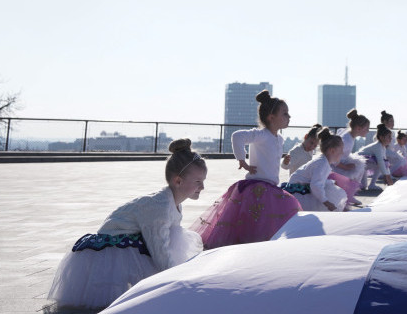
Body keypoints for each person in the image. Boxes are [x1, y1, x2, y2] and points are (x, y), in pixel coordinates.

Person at [48, 139, 206, 309]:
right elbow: (159, 249)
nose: (203, 187)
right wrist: (177, 279)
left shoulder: (173, 202)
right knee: (158, 254)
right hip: (111, 246)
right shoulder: (159, 207)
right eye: (198, 181)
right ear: (178, 181)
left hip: (133, 240)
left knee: (172, 238)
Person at [192, 90, 301, 248]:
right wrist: (242, 160)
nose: (288, 117)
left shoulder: (280, 139)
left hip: (271, 187)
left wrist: (284, 163)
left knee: (266, 222)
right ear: (271, 118)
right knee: (254, 226)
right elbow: (237, 136)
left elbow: (273, 163)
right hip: (257, 187)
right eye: (284, 113)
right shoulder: (261, 134)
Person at [283, 129, 350, 212]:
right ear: (332, 151)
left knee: (330, 191)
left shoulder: (322, 161)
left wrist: (330, 182)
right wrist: (326, 202)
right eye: (341, 151)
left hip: (303, 186)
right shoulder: (322, 163)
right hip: (299, 191)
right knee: (328, 199)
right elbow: (316, 185)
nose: (342, 153)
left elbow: (317, 180)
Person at [334, 109, 371, 205]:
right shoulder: (347, 140)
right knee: (356, 168)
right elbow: (333, 159)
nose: (368, 131)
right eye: (366, 128)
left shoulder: (349, 135)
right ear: (358, 128)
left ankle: (350, 194)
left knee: (360, 164)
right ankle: (346, 195)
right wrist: (346, 167)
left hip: (342, 159)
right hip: (335, 165)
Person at [358, 124, 396, 189]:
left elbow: (385, 162)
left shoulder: (382, 147)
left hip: (364, 165)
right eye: (389, 136)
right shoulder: (378, 146)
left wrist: (388, 176)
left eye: (391, 136)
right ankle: (371, 184)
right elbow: (381, 161)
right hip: (358, 164)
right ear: (381, 137)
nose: (391, 138)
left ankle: (372, 184)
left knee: (383, 164)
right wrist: (386, 176)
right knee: (381, 164)